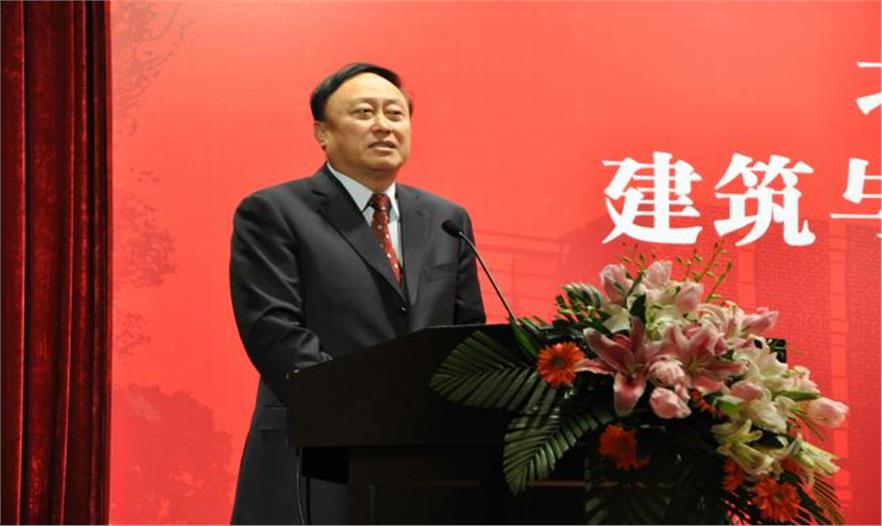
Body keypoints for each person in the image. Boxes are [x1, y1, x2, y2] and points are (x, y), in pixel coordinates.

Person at [228, 63, 486, 524]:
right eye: (364, 113)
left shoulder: (447, 219)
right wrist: (373, 412)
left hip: (425, 463)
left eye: (395, 113)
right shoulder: (274, 212)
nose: (383, 125)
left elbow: (467, 335)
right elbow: (275, 333)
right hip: (313, 454)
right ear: (322, 133)